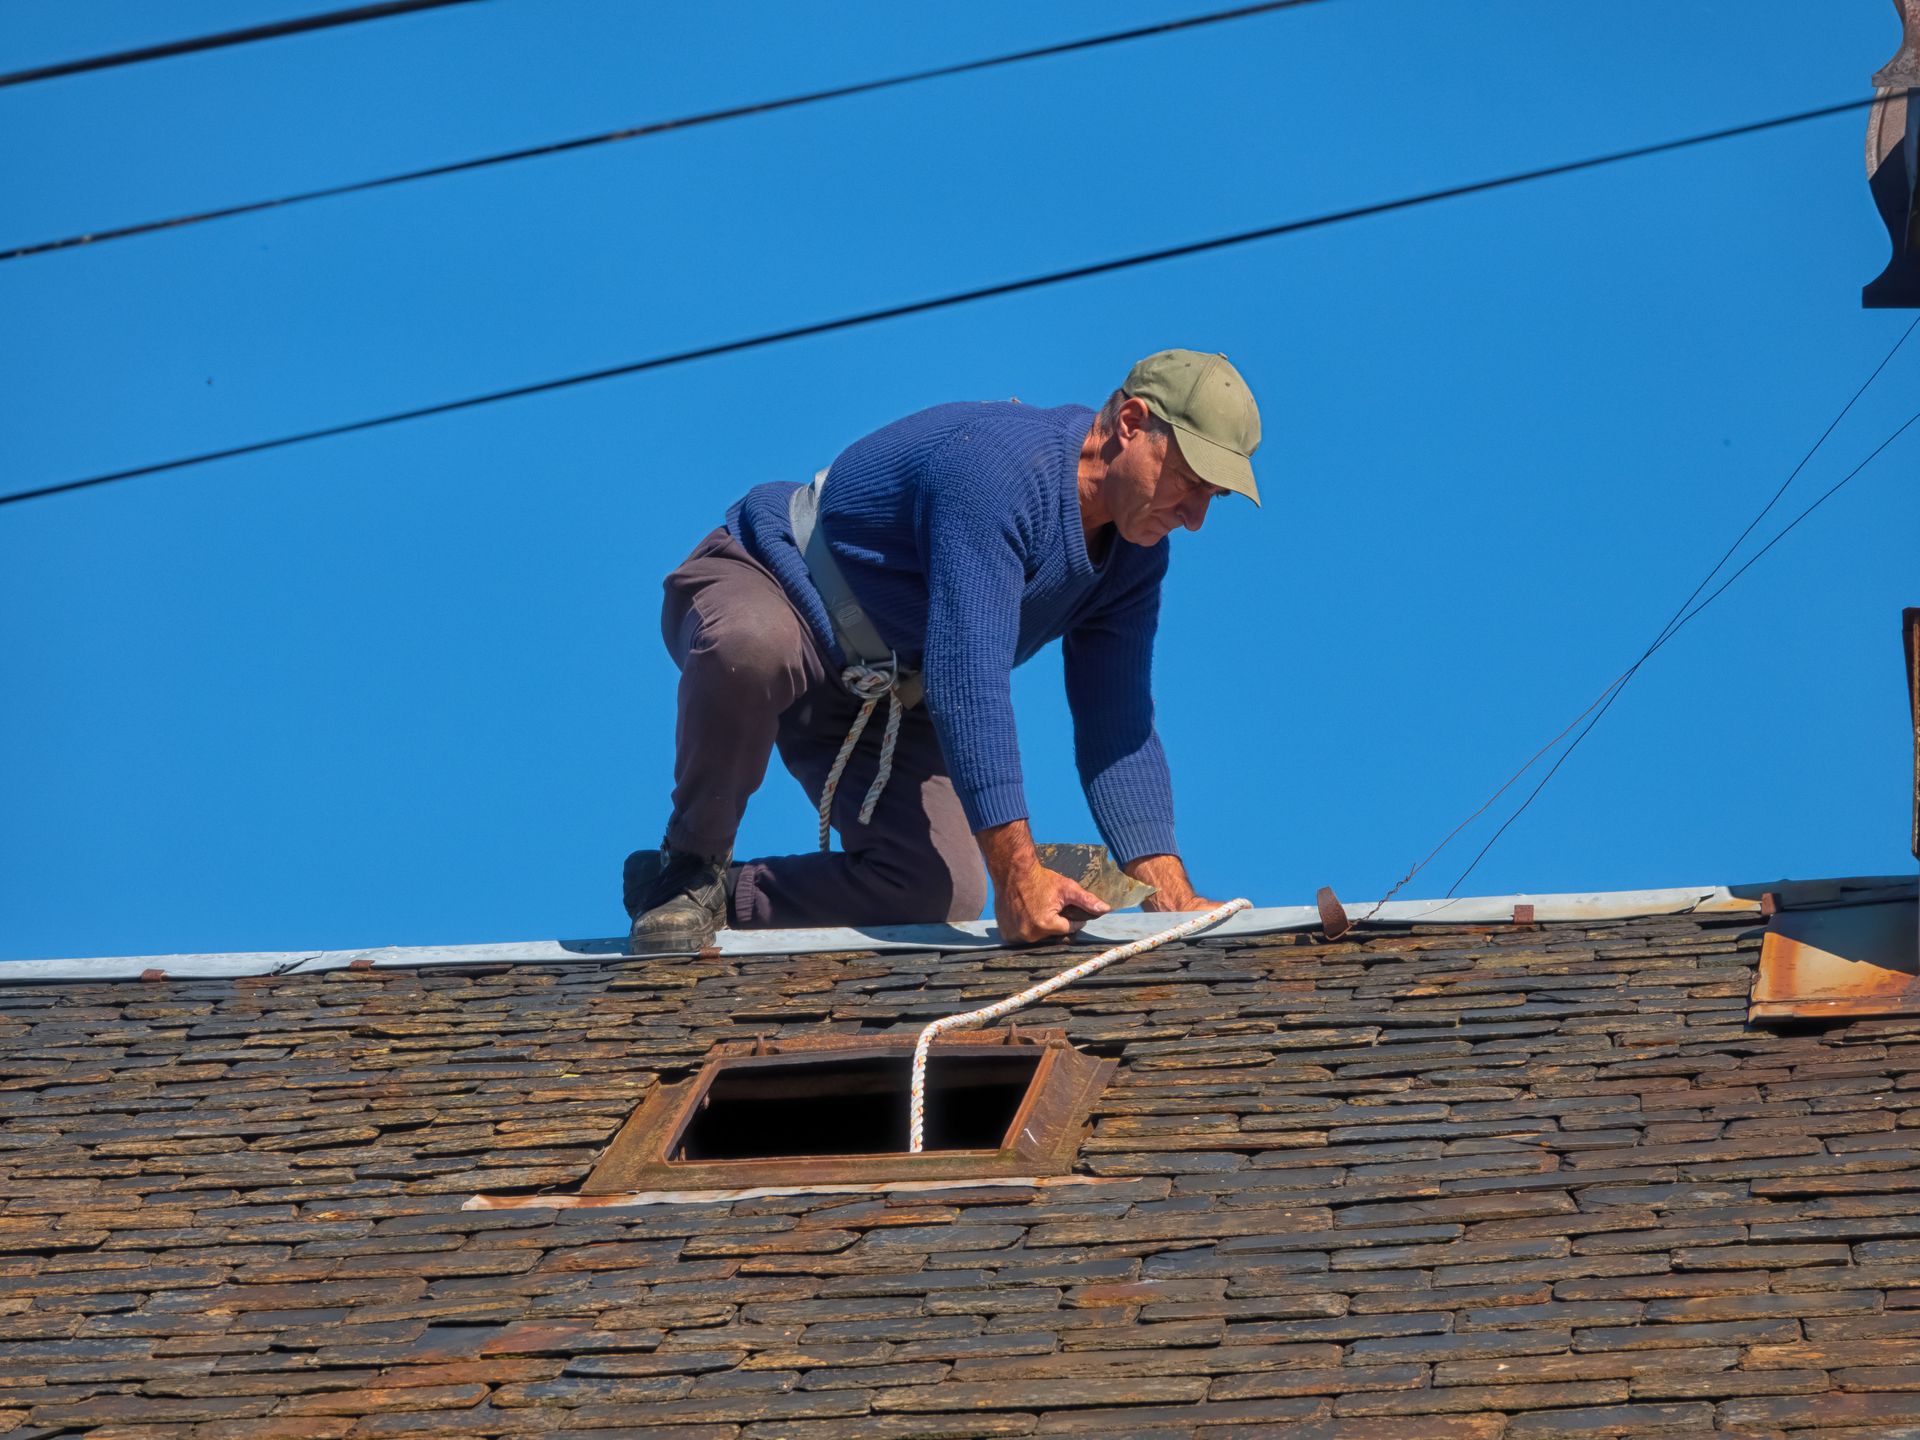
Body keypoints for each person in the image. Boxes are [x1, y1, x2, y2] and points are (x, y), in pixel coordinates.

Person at [624, 348, 1261, 954]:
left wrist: (1170, 900)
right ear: (1130, 424)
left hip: (879, 689)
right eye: (1188, 482)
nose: (1197, 516)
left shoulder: (1133, 558)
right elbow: (968, 677)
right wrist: (1021, 878)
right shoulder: (1000, 470)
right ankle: (689, 868)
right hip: (778, 587)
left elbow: (1116, 725)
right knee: (750, 648)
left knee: (939, 889)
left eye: (1214, 497)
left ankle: (718, 899)